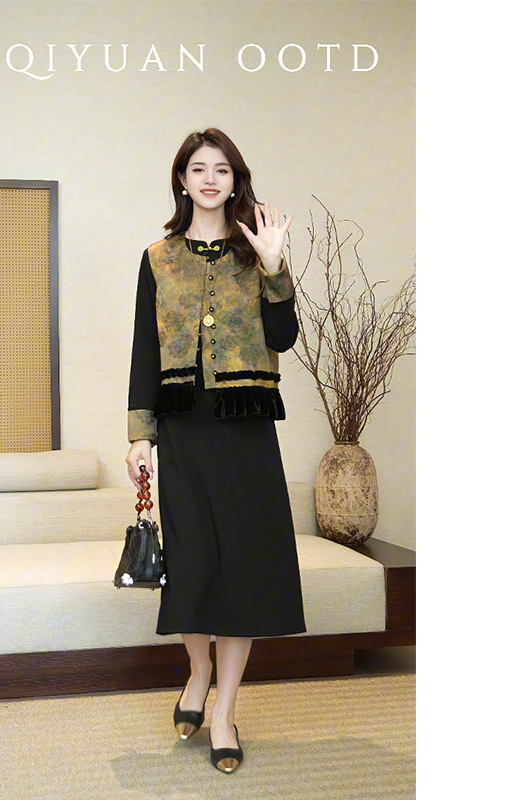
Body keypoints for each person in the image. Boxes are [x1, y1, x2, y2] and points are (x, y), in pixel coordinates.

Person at [125, 128, 306, 774]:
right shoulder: (158, 258)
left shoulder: (258, 253)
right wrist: (139, 434)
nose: (209, 178)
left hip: (245, 431)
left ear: (235, 181)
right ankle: (197, 669)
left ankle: (225, 709)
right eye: (198, 168)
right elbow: (145, 351)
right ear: (182, 179)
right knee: (195, 565)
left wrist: (276, 267)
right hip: (183, 432)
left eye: (222, 169)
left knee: (242, 571)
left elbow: (282, 338)